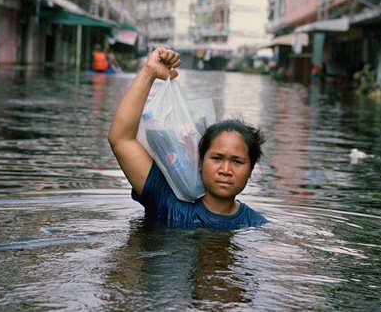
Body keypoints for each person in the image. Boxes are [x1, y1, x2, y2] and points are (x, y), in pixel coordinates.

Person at [108, 47, 267, 230]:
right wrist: (149, 72)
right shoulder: (167, 199)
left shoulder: (255, 225)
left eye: (237, 161)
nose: (225, 170)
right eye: (216, 158)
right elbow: (121, 139)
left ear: (250, 169)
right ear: (200, 161)